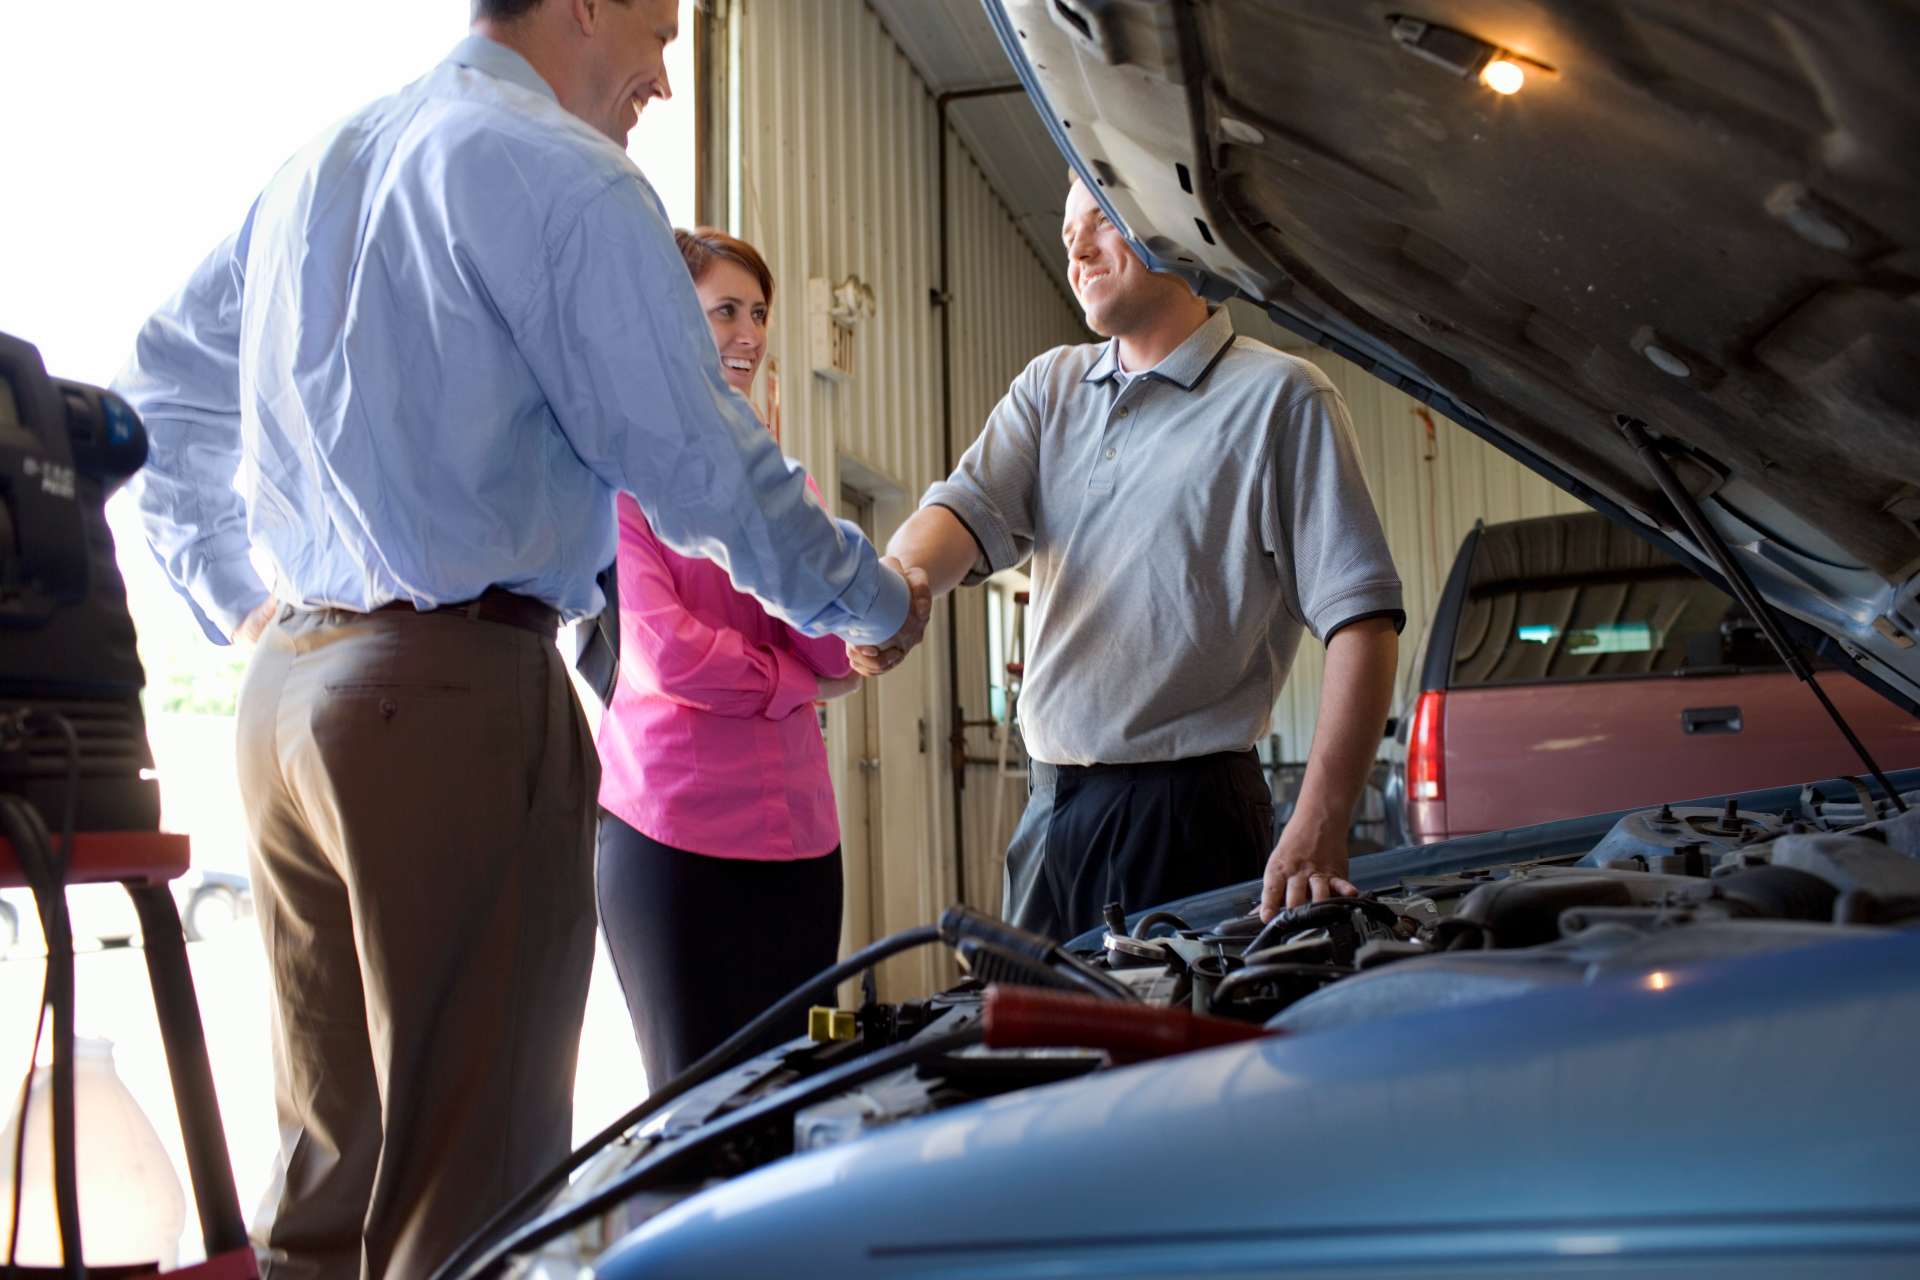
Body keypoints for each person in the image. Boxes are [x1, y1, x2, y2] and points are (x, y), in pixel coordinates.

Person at [113, 3, 929, 1276]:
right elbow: (700, 464)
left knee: (329, 1168)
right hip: (452, 690)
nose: (663, 76)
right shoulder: (565, 175)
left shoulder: (315, 169)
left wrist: (242, 606)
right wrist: (876, 601)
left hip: (286, 700)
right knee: (471, 1182)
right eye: (657, 33)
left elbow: (156, 396)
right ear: (580, 6)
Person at [857, 172, 1401, 937]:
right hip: (1053, 811)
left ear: (1173, 227)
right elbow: (959, 511)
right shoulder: (1053, 387)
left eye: (1101, 220)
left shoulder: (1281, 397)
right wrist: (898, 585)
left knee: (1180, 1046)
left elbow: (1362, 621)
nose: (1076, 247)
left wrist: (1319, 819)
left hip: (1187, 816)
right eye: (1067, 229)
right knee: (1045, 1050)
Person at [595, 227, 856, 1083]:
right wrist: (786, 678)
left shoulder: (789, 485)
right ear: (672, 318)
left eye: (758, 313)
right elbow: (664, 653)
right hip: (676, 839)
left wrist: (771, 513)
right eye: (724, 312)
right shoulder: (622, 481)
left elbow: (839, 648)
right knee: (693, 1105)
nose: (749, 333)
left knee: (797, 1096)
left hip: (799, 844)